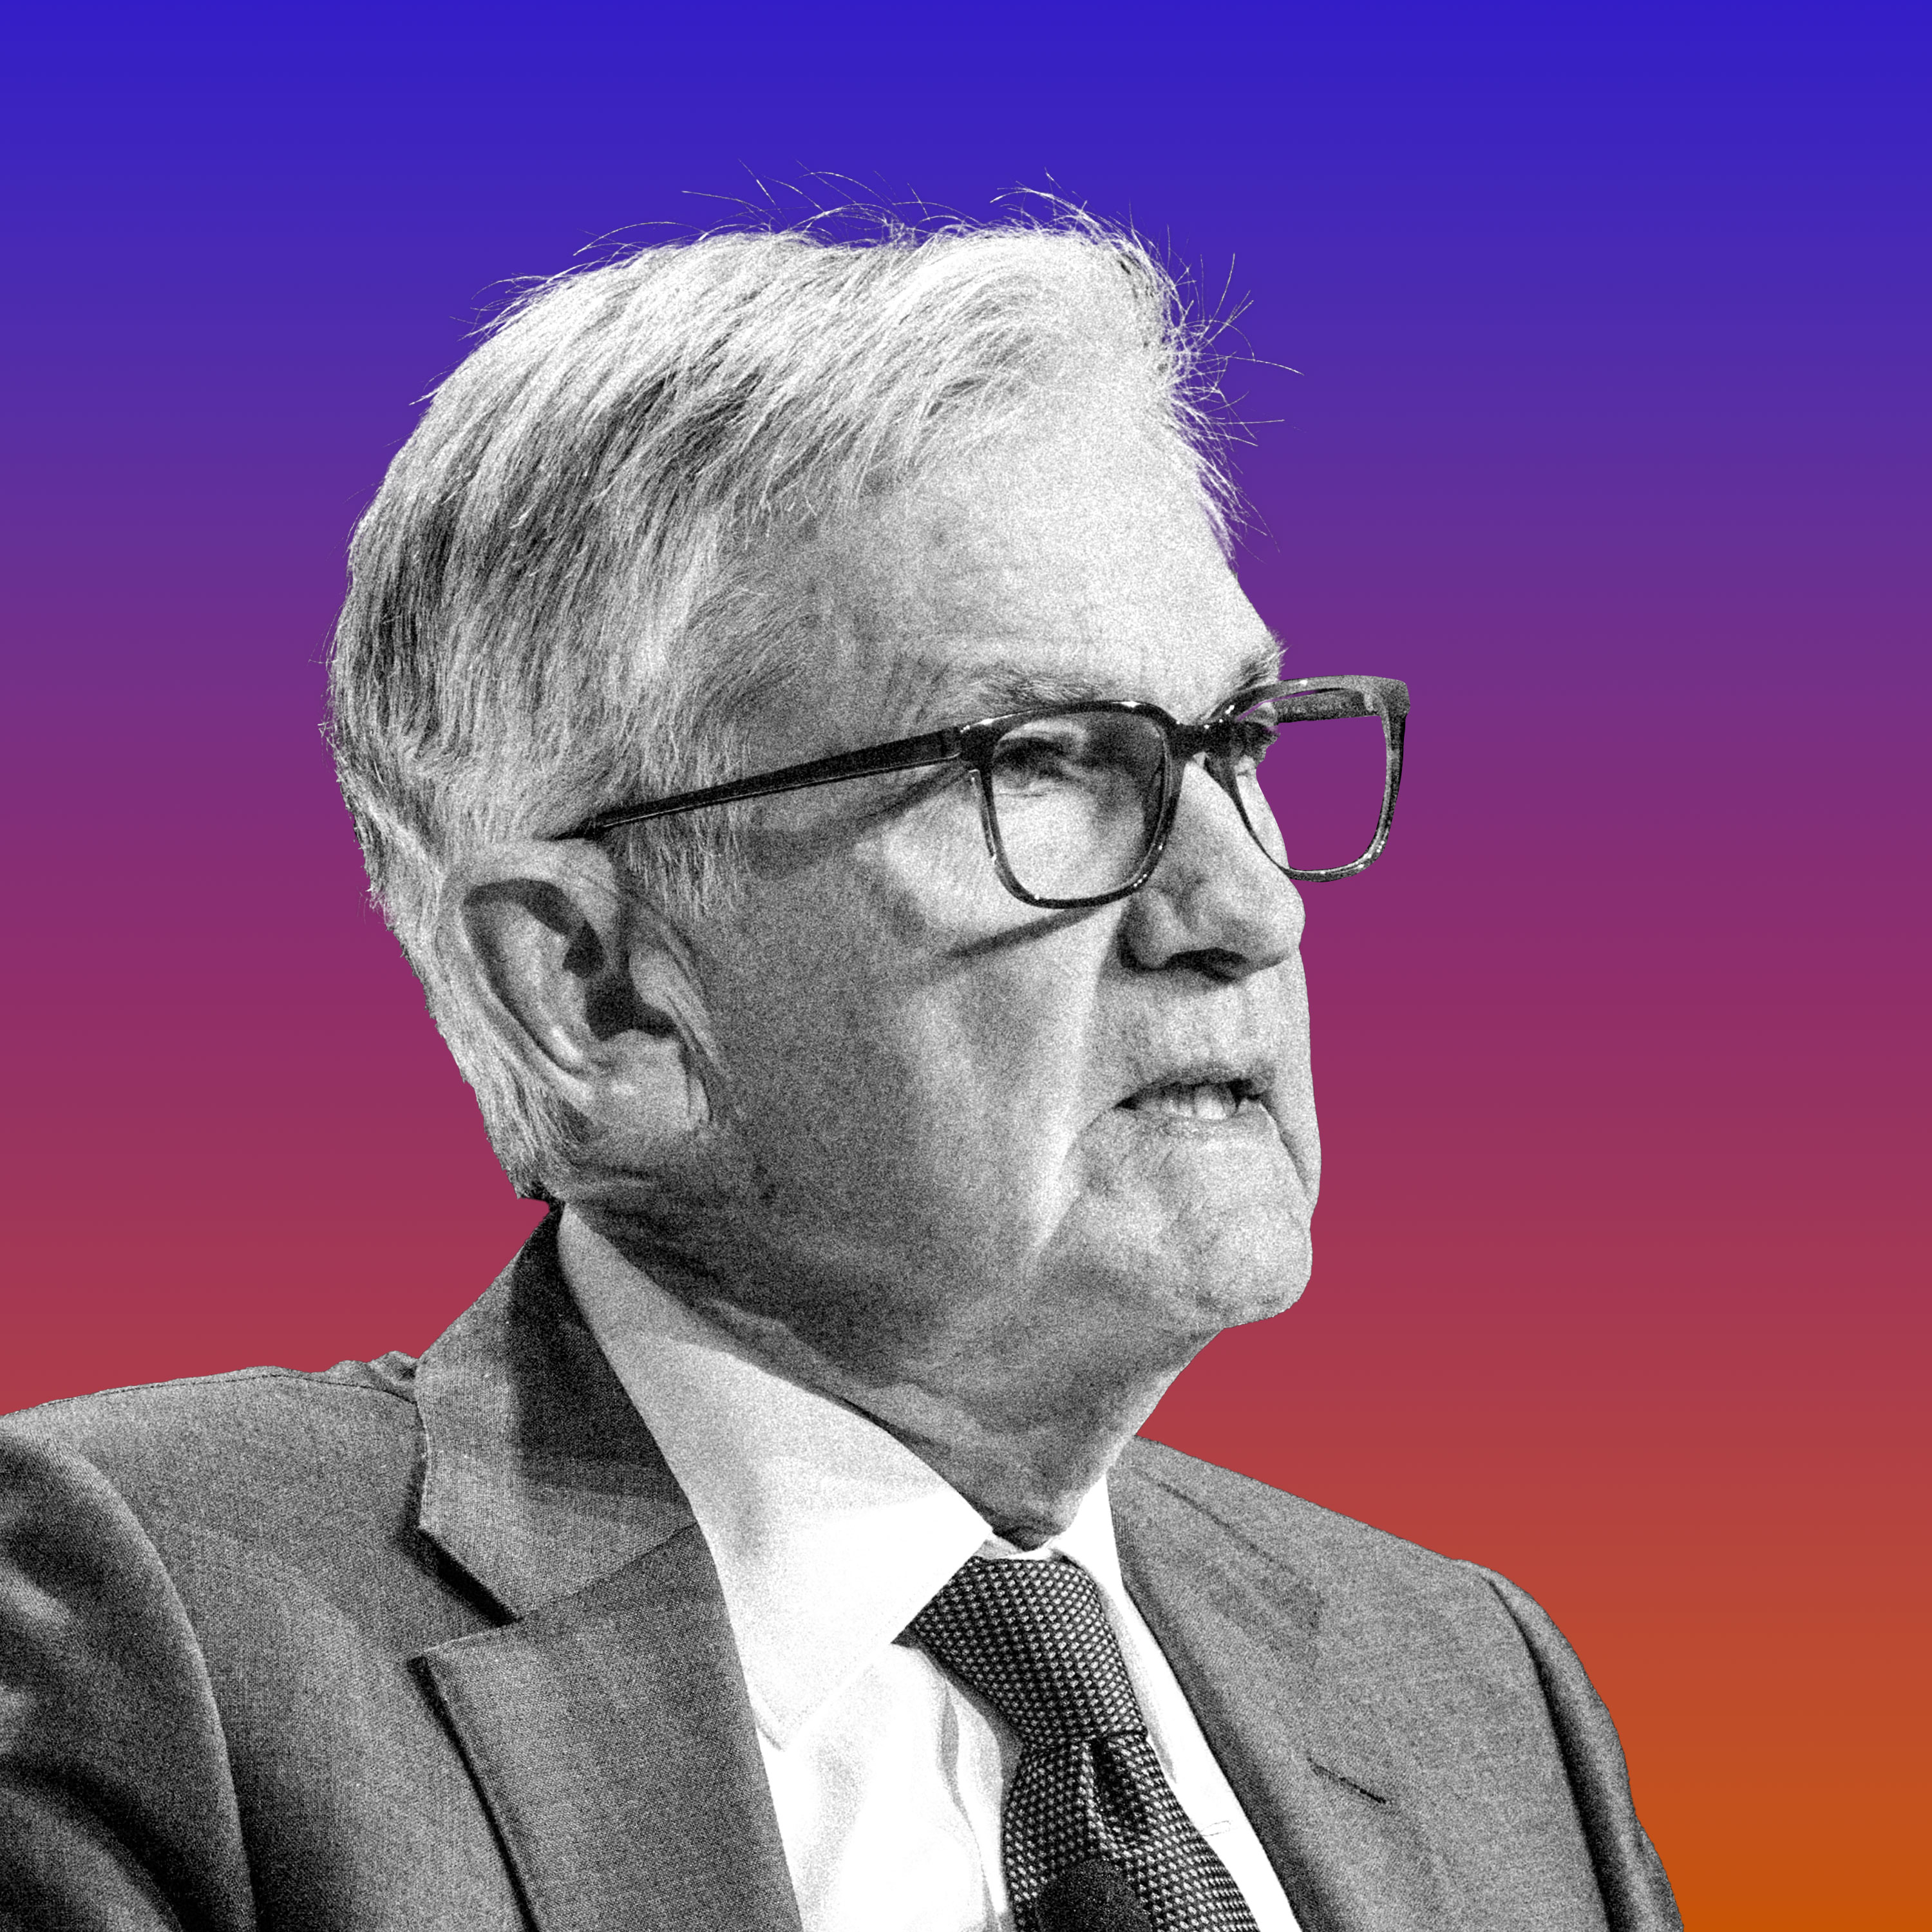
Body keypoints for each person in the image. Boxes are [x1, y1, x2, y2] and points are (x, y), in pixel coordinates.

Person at [0, 216, 1680, 1931]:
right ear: (597, 988)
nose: (1245, 907)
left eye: (1235, 741)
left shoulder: (1470, 1693)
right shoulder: (154, 1638)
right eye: (1045, 765)